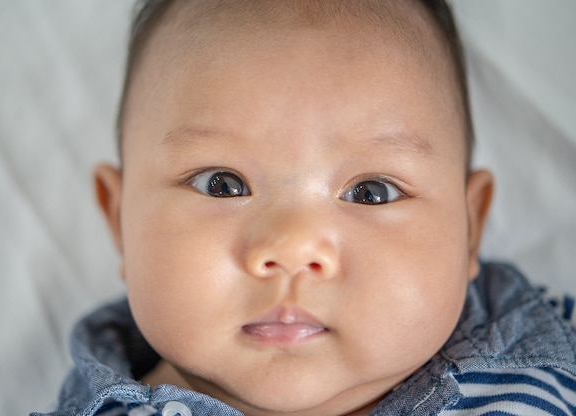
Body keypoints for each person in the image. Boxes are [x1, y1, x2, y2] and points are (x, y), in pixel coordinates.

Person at [33, 0, 576, 415]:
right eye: (222, 184)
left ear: (470, 228)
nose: (292, 248)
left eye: (372, 192)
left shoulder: (548, 342)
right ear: (120, 219)